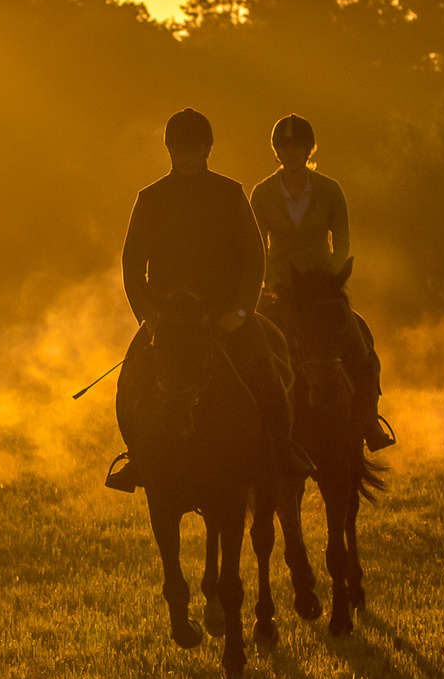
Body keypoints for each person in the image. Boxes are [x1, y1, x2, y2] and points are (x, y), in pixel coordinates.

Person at [106, 107, 308, 492]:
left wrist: (239, 311)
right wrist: (150, 317)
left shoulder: (230, 193)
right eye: (181, 149)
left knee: (268, 372)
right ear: (170, 151)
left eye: (194, 149)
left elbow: (253, 258)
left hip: (224, 315)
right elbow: (133, 268)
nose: (187, 156)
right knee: (132, 379)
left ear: (207, 149)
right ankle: (137, 458)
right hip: (169, 322)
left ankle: (284, 450)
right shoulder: (150, 199)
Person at [249, 113, 393, 451]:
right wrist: (268, 280)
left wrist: (330, 275)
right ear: (276, 151)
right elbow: (257, 244)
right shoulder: (262, 193)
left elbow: (341, 240)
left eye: (298, 146)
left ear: (308, 149)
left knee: (362, 348)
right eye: (284, 147)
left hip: (323, 288)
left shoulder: (330, 190)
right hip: (280, 288)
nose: (291, 153)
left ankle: (369, 420)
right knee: (249, 350)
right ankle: (251, 428)